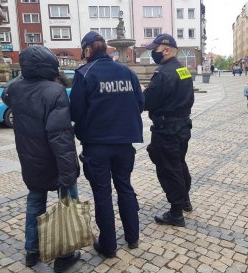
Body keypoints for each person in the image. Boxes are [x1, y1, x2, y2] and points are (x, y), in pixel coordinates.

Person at [2, 45, 80, 271]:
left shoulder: (15, 90)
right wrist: (68, 172)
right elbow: (60, 136)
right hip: (55, 161)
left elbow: (7, 96)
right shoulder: (55, 92)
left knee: (35, 202)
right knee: (67, 204)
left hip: (30, 158)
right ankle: (64, 253)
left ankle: (31, 250)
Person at [69, 31, 144, 258]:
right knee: (125, 188)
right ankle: (132, 237)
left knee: (102, 194)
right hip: (124, 144)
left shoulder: (84, 73)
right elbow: (140, 104)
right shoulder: (127, 72)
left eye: (84, 51)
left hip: (97, 145)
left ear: (88, 51)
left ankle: (108, 246)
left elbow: (76, 111)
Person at [143, 34, 194, 227]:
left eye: (153, 50)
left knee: (168, 168)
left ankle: (175, 212)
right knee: (179, 163)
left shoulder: (162, 73)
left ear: (165, 50)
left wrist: (144, 91)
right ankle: (185, 200)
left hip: (166, 130)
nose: (152, 53)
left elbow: (148, 102)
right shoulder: (183, 70)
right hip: (182, 126)